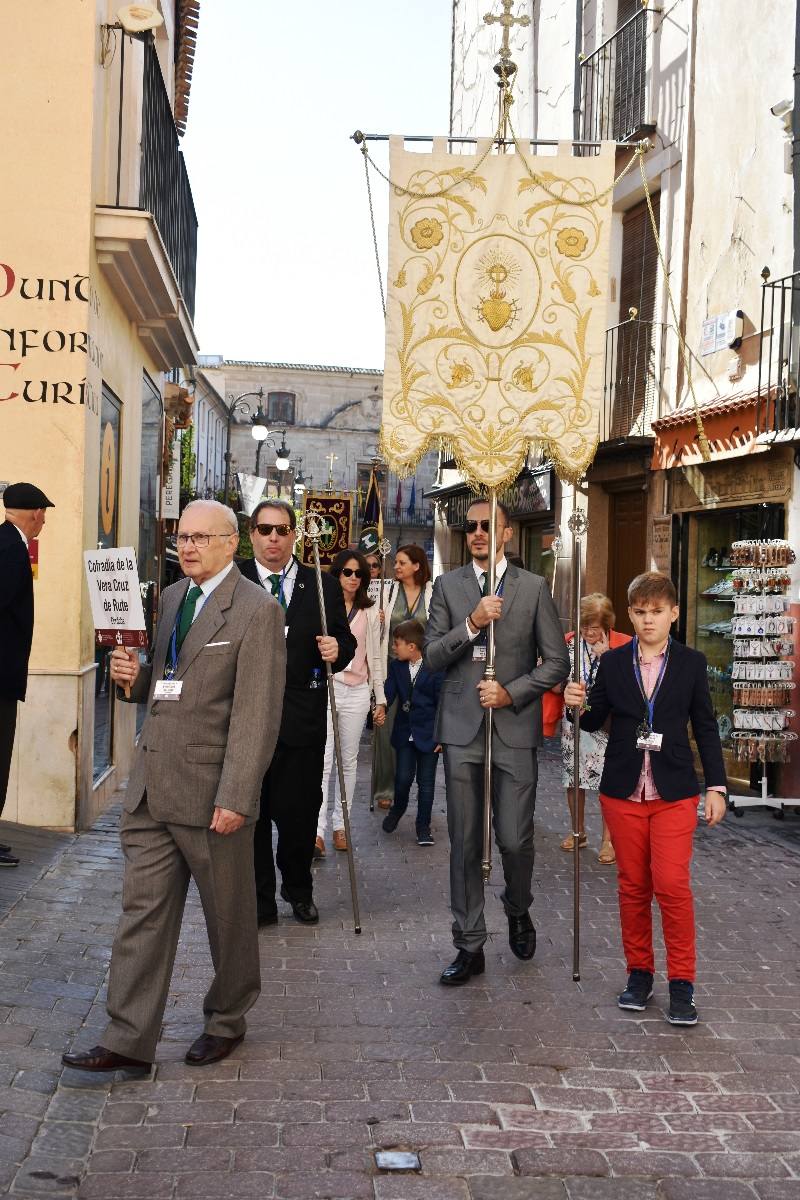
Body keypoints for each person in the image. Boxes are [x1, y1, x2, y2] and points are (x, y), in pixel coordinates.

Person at [62, 500, 286, 1075]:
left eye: (200, 538)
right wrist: (134, 680)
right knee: (141, 917)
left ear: (231, 543)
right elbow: (166, 685)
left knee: (228, 920)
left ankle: (227, 1020)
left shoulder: (257, 610)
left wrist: (236, 796)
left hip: (212, 796)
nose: (187, 547)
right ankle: (128, 1038)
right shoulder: (171, 599)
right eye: (183, 536)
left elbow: (256, 715)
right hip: (151, 789)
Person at [564, 571, 727, 1026]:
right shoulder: (615, 662)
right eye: (640, 612)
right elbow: (593, 719)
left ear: (674, 613)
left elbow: (705, 726)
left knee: (671, 885)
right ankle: (639, 973)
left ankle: (682, 982)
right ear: (630, 615)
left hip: (674, 790)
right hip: (623, 790)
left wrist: (716, 786)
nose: (648, 619)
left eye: (657, 611)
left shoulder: (691, 663)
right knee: (633, 886)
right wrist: (576, 703)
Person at [424, 498, 570, 985]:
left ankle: (518, 905)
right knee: (465, 841)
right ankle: (469, 943)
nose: (479, 533)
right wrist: (472, 624)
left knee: (514, 838)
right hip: (462, 729)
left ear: (508, 533)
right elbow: (431, 655)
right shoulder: (448, 586)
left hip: (513, 728)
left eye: (489, 525)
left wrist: (511, 692)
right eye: (471, 526)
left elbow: (557, 662)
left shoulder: (533, 587)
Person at [239, 500, 357, 925]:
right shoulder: (234, 579)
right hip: (246, 720)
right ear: (251, 534)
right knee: (250, 817)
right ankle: (259, 900)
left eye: (282, 530)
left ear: (294, 535)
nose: (273, 537)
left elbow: (346, 642)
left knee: (300, 814)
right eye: (265, 529)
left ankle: (298, 888)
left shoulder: (321, 584)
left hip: (302, 719)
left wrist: (338, 649)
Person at [315, 548, 385, 858]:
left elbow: (376, 657)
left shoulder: (370, 611)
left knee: (348, 761)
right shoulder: (323, 606)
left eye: (359, 574)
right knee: (323, 759)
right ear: (337, 574)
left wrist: (380, 698)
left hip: (357, 691)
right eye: (348, 572)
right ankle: (317, 830)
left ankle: (341, 825)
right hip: (328, 687)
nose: (354, 578)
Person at [0, 483, 54, 868]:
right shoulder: (11, 549)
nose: (44, 521)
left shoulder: (6, 543)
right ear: (35, 513)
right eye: (44, 513)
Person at [559, 593, 631, 864]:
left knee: (606, 782)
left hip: (606, 724)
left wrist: (608, 658)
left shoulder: (622, 646)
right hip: (575, 721)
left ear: (607, 624)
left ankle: (608, 840)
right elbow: (555, 678)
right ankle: (577, 832)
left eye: (595, 627)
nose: (589, 632)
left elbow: (629, 685)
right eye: (585, 626)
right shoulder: (569, 643)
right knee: (573, 778)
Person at [373, 544, 433, 810]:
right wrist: (378, 619)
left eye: (402, 562)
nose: (396, 566)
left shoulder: (432, 592)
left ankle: (408, 786)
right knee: (385, 725)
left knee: (415, 726)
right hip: (391, 667)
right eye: (395, 562)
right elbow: (374, 627)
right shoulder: (388, 591)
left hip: (421, 672)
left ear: (416, 566)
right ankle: (385, 788)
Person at [374, 619, 443, 846]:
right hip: (405, 734)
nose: (394, 648)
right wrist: (381, 707)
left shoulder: (434, 667)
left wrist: (442, 736)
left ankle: (423, 827)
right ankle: (399, 808)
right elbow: (389, 691)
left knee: (426, 783)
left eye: (397, 643)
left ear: (411, 646)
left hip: (429, 736)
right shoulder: (397, 667)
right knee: (403, 778)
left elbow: (442, 704)